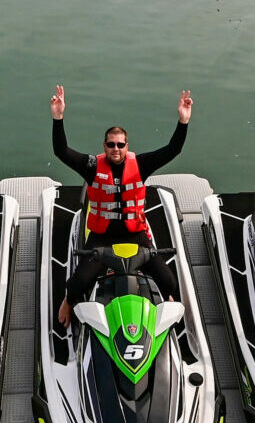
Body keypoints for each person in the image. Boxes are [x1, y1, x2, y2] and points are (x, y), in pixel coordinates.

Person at [49, 86, 192, 328]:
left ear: (127, 146)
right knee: (78, 282)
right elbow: (61, 151)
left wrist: (183, 121)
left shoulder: (142, 164)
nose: (116, 149)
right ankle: (68, 303)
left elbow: (173, 150)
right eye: (111, 144)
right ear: (104, 146)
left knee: (169, 281)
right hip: (102, 236)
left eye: (120, 145)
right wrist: (58, 118)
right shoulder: (92, 166)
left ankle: (164, 298)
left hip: (135, 233)